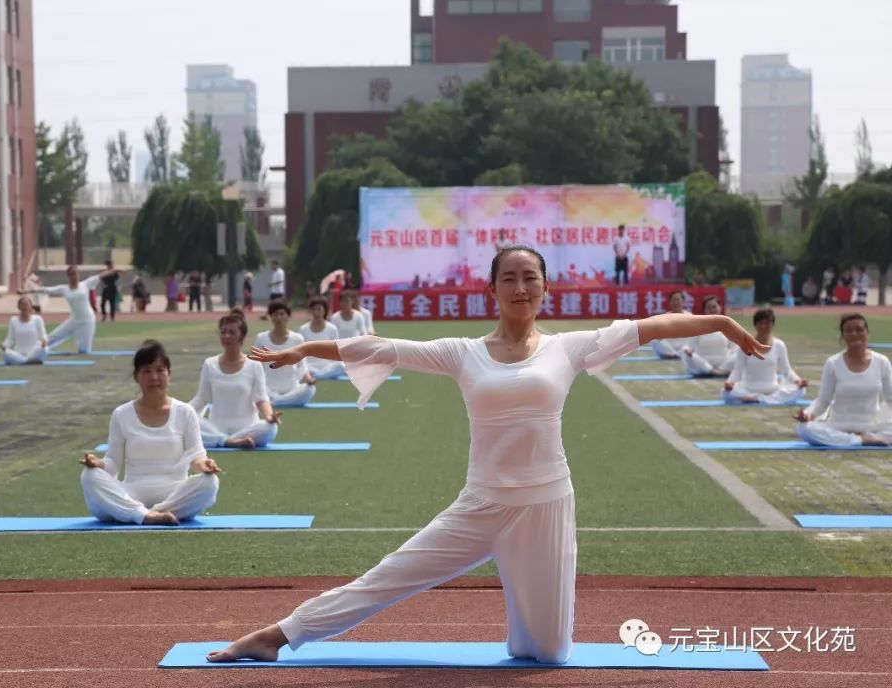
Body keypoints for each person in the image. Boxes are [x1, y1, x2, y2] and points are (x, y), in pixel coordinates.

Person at [208, 245, 766, 664]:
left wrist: (720, 322)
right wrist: (302, 347)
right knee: (389, 576)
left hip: (547, 504)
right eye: (509, 278)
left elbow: (653, 327)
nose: (520, 287)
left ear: (545, 289)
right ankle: (278, 635)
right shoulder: (462, 353)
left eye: (530, 278)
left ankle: (526, 629)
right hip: (480, 504)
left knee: (548, 654)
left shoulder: (569, 348)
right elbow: (383, 348)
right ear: (491, 290)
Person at [79, 340, 222, 526]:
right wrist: (97, 463)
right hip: (132, 493)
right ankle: (144, 515)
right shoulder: (122, 414)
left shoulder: (185, 412)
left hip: (174, 493)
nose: (154, 377)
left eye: (160, 370)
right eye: (146, 371)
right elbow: (113, 463)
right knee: (89, 476)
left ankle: (142, 514)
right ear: (136, 377)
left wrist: (205, 465)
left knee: (210, 483)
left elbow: (196, 456)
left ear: (169, 374)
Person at [795, 313, 892, 447]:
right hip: (838, 425)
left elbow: (890, 399)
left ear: (867, 333)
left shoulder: (882, 362)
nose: (854, 334)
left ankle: (864, 437)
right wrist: (808, 415)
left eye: (859, 330)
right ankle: (859, 440)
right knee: (804, 429)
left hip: (871, 426)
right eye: (849, 331)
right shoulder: (833, 363)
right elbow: (823, 401)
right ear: (843, 336)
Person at [189, 312, 282, 449]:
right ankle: (227, 441)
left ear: (241, 336)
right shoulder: (210, 364)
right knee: (190, 422)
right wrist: (181, 411)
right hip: (216, 428)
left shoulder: (254, 365)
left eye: (232, 332)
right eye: (223, 332)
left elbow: (261, 399)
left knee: (270, 428)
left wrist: (269, 416)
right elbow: (202, 399)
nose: (226, 336)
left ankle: (221, 441)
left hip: (248, 428)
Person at [18, 264, 117, 354]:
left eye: (75, 274)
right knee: (53, 336)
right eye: (71, 275)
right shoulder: (64, 289)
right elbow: (46, 289)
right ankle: (34, 349)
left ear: (78, 274)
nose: (74, 277)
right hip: (74, 320)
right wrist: (25, 291)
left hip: (87, 321)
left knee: (84, 351)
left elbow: (102, 275)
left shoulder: (85, 284)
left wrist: (114, 270)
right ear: (68, 276)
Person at [722, 308, 807, 405]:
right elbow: (737, 371)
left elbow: (787, 371)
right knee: (726, 393)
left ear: (772, 325)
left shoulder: (779, 345)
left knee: (801, 390)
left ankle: (760, 399)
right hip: (747, 389)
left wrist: (798, 381)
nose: (763, 326)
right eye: (760, 323)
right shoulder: (744, 345)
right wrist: (730, 383)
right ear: (755, 325)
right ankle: (762, 399)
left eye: (767, 323)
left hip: (772, 390)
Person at [254, 301, 316, 407]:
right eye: (275, 314)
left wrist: (308, 378)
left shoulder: (297, 338)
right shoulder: (261, 338)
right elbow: (256, 365)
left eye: (282, 314)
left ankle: (275, 403)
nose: (278, 317)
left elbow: (302, 365)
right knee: (254, 389)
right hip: (269, 389)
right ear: (270, 317)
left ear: (288, 317)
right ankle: (278, 401)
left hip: (292, 389)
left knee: (310, 389)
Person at [678, 295, 735, 377]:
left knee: (740, 352)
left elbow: (734, 347)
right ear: (705, 310)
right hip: (702, 363)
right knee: (684, 351)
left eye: (714, 307)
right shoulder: (697, 327)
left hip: (723, 363)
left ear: (720, 307)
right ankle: (711, 371)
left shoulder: (728, 326)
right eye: (708, 308)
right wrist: (688, 350)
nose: (712, 310)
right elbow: (688, 346)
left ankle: (722, 370)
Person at [299, 296, 344, 380]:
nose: (316, 312)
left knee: (340, 365)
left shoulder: (332, 328)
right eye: (314, 309)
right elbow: (301, 352)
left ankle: (317, 376)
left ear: (324, 311)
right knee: (299, 366)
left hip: (327, 366)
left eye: (319, 309)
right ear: (311, 311)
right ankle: (316, 375)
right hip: (310, 366)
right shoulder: (303, 329)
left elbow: (336, 351)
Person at [1, 295, 49, 365]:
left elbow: (43, 335)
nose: (24, 307)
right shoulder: (13, 320)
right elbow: (10, 339)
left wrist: (44, 341)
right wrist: (4, 346)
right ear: (19, 307)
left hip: (34, 352)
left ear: (30, 306)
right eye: (22, 305)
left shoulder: (38, 319)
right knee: (4, 352)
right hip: (19, 354)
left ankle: (23, 361)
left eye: (26, 305)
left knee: (45, 349)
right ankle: (27, 361)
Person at [649, 290, 689, 359]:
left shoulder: (690, 316)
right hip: (669, 346)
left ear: (683, 301)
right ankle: (673, 355)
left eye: (678, 300)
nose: (676, 302)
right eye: (673, 300)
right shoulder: (664, 317)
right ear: (670, 302)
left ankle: (675, 355)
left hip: (683, 346)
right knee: (653, 340)